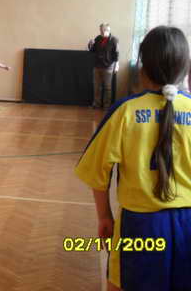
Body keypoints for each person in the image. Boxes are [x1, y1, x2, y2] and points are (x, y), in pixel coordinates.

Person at [75, 26, 191, 291]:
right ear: (185, 66)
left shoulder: (125, 111)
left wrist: (104, 217)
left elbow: (96, 172)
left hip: (141, 225)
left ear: (143, 66)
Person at [88, 23, 119, 109]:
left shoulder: (114, 40)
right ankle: (96, 104)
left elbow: (116, 54)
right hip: (97, 66)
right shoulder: (98, 38)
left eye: (104, 30)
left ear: (108, 29)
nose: (102, 32)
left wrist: (117, 65)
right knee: (97, 87)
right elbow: (92, 50)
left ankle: (106, 106)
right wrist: (90, 44)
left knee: (107, 88)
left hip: (108, 67)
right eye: (101, 30)